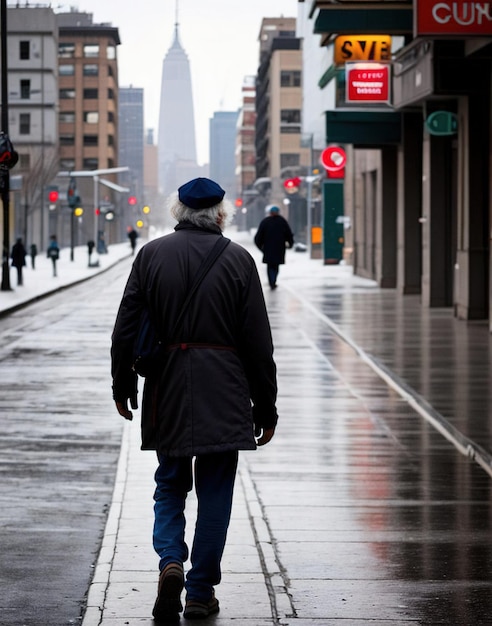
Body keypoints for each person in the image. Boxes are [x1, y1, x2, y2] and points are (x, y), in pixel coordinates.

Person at [111, 177, 278, 623]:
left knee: (169, 483)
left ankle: (170, 560)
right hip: (224, 387)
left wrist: (122, 384)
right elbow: (259, 344)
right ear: (221, 214)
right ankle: (201, 591)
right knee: (216, 491)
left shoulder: (150, 256)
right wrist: (265, 407)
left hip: (167, 384)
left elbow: (125, 329)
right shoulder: (239, 261)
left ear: (177, 213)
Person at [254, 205, 294, 289]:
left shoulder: (265, 222)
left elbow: (258, 237)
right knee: (276, 266)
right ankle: (273, 280)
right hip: (279, 249)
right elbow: (289, 234)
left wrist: (261, 248)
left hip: (268, 249)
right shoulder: (282, 222)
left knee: (270, 266)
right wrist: (290, 244)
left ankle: (272, 281)